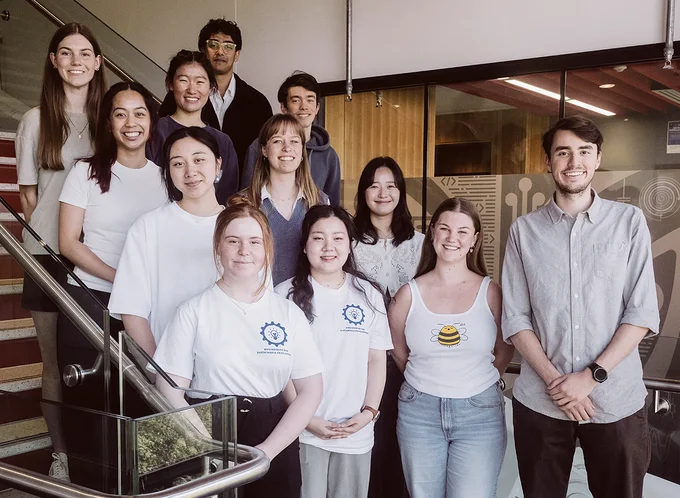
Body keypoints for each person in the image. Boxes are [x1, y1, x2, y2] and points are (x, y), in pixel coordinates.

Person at [502, 116, 659, 498]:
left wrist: (590, 377)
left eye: (584, 151)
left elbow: (641, 312)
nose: (574, 162)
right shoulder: (525, 230)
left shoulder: (629, 222)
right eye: (563, 152)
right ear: (548, 161)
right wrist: (559, 386)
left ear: (598, 157)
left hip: (615, 400)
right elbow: (516, 317)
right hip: (541, 402)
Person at [154, 197, 323, 498]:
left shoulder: (287, 313)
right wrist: (206, 445)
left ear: (267, 248)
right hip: (207, 433)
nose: (244, 251)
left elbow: (311, 390)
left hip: (274, 436)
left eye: (254, 241)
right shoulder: (193, 311)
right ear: (218, 246)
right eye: (234, 240)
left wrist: (266, 452)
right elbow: (168, 389)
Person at [56, 81, 166, 490]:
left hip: (146, 307)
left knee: (140, 399)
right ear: (108, 122)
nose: (131, 122)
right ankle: (87, 486)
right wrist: (122, 278)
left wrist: (141, 286)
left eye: (139, 113)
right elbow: (69, 242)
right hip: (89, 298)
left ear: (151, 123)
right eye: (120, 113)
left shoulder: (165, 178)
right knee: (89, 399)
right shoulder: (85, 172)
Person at [15, 22, 106, 482]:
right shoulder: (34, 120)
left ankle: (100, 451)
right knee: (53, 362)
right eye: (65, 53)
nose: (75, 61)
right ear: (54, 61)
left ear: (98, 62)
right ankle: (61, 454)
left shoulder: (110, 117)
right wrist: (52, 238)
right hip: (48, 256)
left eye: (84, 53)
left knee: (100, 360)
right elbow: (29, 197)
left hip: (98, 255)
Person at [389, 198, 514, 498]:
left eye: (462, 232)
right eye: (444, 229)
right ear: (432, 234)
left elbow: (505, 349)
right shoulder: (408, 294)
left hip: (479, 414)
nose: (452, 238)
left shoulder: (491, 292)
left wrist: (472, 379)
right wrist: (429, 379)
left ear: (474, 240)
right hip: (419, 412)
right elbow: (397, 349)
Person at [276, 205, 392, 498]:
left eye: (338, 238)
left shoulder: (368, 295)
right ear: (304, 246)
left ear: (349, 244)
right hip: (302, 431)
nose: (329, 247)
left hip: (356, 432)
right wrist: (305, 419)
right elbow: (281, 369)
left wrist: (369, 412)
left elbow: (376, 359)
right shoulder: (282, 296)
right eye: (318, 238)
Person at [110, 127, 224, 356]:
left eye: (199, 160)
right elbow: (131, 309)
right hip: (169, 366)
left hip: (232, 367)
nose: (190, 171)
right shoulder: (148, 227)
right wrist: (158, 374)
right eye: (178, 164)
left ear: (218, 164)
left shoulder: (242, 227)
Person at [352, 156, 423, 498]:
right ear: (363, 192)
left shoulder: (422, 244)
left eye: (391, 185)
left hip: (412, 360)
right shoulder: (347, 244)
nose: (383, 193)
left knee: (406, 445)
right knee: (372, 445)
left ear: (401, 192)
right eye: (374, 185)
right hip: (364, 361)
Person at [158, 18, 272, 170]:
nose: (220, 52)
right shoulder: (178, 99)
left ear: (237, 54)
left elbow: (266, 152)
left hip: (242, 189)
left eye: (228, 46)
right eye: (213, 44)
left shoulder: (258, 103)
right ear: (203, 50)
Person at [243, 113, 329, 286]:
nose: (287, 148)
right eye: (277, 141)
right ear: (264, 150)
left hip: (307, 301)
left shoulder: (320, 202)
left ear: (302, 150)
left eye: (294, 141)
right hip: (257, 304)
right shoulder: (243, 203)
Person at [148, 50, 239, 204]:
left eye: (200, 81)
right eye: (184, 80)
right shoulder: (156, 131)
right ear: (171, 84)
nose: (192, 89)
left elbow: (227, 195)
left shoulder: (223, 141)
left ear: (210, 88)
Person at [241, 72, 341, 206]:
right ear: (283, 107)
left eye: (310, 100)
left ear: (317, 108)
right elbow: (246, 197)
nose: (304, 106)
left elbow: (333, 207)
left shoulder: (329, 155)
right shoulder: (259, 146)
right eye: (296, 100)